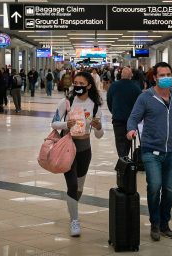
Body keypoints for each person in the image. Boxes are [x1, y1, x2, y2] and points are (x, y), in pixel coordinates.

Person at [126, 62, 172, 241]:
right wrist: (131, 130)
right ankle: (155, 223)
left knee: (169, 190)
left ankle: (165, 224)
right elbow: (133, 118)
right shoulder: (145, 97)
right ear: (154, 77)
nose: (165, 77)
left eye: (168, 74)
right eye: (161, 75)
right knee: (154, 187)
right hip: (150, 150)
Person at [51, 71, 104, 237]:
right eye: (76, 83)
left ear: (89, 85)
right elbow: (53, 123)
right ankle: (75, 220)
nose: (78, 86)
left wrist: (98, 126)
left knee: (79, 186)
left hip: (84, 149)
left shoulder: (95, 106)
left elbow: (99, 135)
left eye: (82, 84)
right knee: (72, 185)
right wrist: (66, 123)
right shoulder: (66, 102)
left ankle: (73, 205)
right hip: (68, 147)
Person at [107, 67, 142, 157]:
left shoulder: (113, 86)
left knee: (119, 140)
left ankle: (122, 160)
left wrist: (114, 111)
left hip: (117, 119)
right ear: (131, 76)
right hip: (131, 120)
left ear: (121, 75)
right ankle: (125, 158)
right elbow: (140, 104)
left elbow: (109, 101)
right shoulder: (136, 87)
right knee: (128, 140)